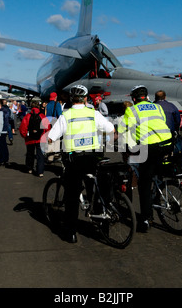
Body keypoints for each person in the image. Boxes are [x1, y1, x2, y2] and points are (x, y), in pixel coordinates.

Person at [47, 85, 114, 243]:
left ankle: (71, 233)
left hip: (74, 160)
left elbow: (51, 137)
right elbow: (110, 129)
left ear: (71, 99)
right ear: (85, 99)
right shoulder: (93, 113)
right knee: (96, 190)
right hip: (92, 157)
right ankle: (102, 224)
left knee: (71, 195)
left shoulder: (66, 115)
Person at [117, 85, 173, 232]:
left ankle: (147, 219)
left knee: (144, 184)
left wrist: (124, 148)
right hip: (167, 143)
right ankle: (159, 193)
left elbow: (124, 131)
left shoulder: (131, 110)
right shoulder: (157, 107)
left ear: (134, 99)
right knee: (157, 172)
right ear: (147, 97)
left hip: (149, 148)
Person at [19, 101, 50, 176]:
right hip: (40, 138)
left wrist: (24, 135)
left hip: (30, 138)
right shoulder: (42, 116)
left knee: (30, 153)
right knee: (40, 155)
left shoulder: (27, 116)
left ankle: (29, 168)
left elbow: (23, 127)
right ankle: (40, 171)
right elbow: (47, 127)